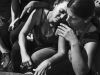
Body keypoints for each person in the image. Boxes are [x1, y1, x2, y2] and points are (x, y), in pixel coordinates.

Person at [56, 0, 99, 75]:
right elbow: (61, 51)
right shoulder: (70, 22)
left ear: (87, 19)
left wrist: (74, 42)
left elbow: (81, 72)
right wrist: (48, 62)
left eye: (73, 18)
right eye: (67, 14)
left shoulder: (92, 38)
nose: (67, 19)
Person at [0, 0, 12, 71]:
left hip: (11, 15)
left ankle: (6, 55)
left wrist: (12, 18)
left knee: (4, 29)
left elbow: (15, 3)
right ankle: (5, 52)